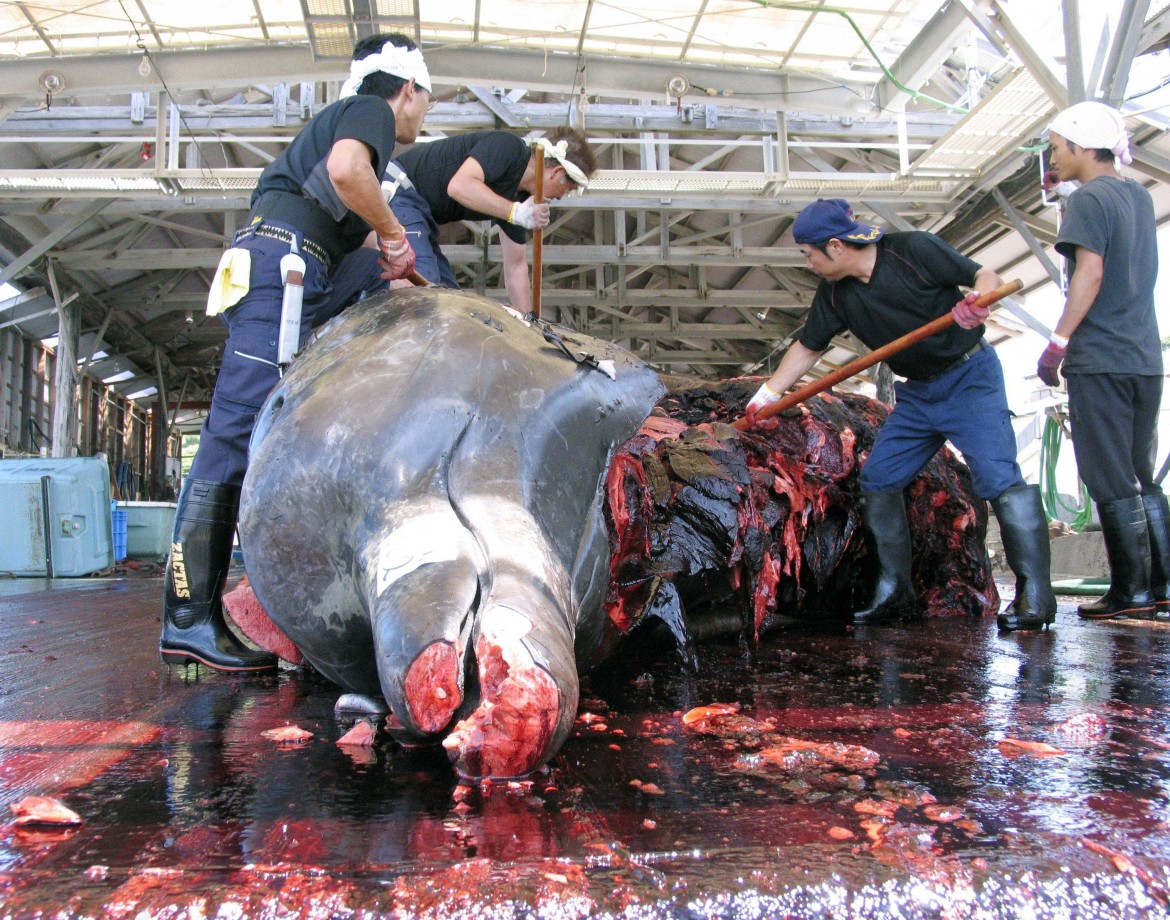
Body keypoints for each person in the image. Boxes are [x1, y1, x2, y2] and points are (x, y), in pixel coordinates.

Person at [160, 33, 433, 672]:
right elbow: (347, 170)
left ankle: (202, 613)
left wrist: (397, 262)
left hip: (301, 263)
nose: (425, 114)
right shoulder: (371, 112)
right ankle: (187, 617)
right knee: (230, 438)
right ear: (408, 89)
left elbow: (366, 244)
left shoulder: (338, 150)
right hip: (283, 265)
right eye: (427, 99)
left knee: (374, 274)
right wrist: (395, 235)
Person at [746, 198, 1056, 632]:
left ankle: (1036, 597)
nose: (807, 261)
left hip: (970, 379)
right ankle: (895, 593)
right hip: (919, 396)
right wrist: (767, 392)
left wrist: (980, 300)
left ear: (834, 246)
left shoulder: (914, 250)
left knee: (999, 481)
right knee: (880, 478)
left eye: (808, 252)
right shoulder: (834, 294)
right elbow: (809, 346)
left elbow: (982, 275)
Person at [1036, 101, 1165, 621]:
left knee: (1108, 475)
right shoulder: (1135, 195)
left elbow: (1089, 274)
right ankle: (1161, 584)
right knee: (1140, 473)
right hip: (1144, 358)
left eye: (1055, 146)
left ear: (1080, 145)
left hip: (1102, 358)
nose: (1051, 156)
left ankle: (1129, 591)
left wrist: (1058, 341)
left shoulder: (1090, 199)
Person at [330, 128, 596, 312]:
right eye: (568, 189)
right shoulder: (508, 148)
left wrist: (530, 324)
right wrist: (515, 212)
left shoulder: (520, 201)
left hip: (422, 215)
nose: (562, 198)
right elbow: (460, 186)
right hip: (401, 192)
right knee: (423, 295)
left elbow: (516, 268)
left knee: (452, 303)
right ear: (557, 172)